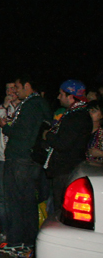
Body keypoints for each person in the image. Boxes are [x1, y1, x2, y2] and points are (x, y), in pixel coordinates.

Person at [0, 75, 52, 253]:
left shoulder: (31, 105)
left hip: (21, 158)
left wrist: (6, 127)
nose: (15, 90)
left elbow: (23, 133)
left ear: (27, 86)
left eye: (18, 87)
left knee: (16, 200)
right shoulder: (40, 104)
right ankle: (28, 240)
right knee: (27, 200)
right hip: (30, 159)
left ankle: (16, 240)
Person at [39, 79, 92, 216]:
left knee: (61, 211)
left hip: (66, 170)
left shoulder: (76, 116)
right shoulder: (77, 114)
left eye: (61, 94)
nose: (58, 97)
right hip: (67, 168)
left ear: (70, 96)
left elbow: (63, 144)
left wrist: (48, 135)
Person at [0, 82, 21, 243]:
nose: (10, 92)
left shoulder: (23, 109)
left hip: (17, 158)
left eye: (13, 88)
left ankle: (11, 230)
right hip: (2, 157)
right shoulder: (2, 109)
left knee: (12, 196)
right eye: (7, 89)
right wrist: (3, 108)